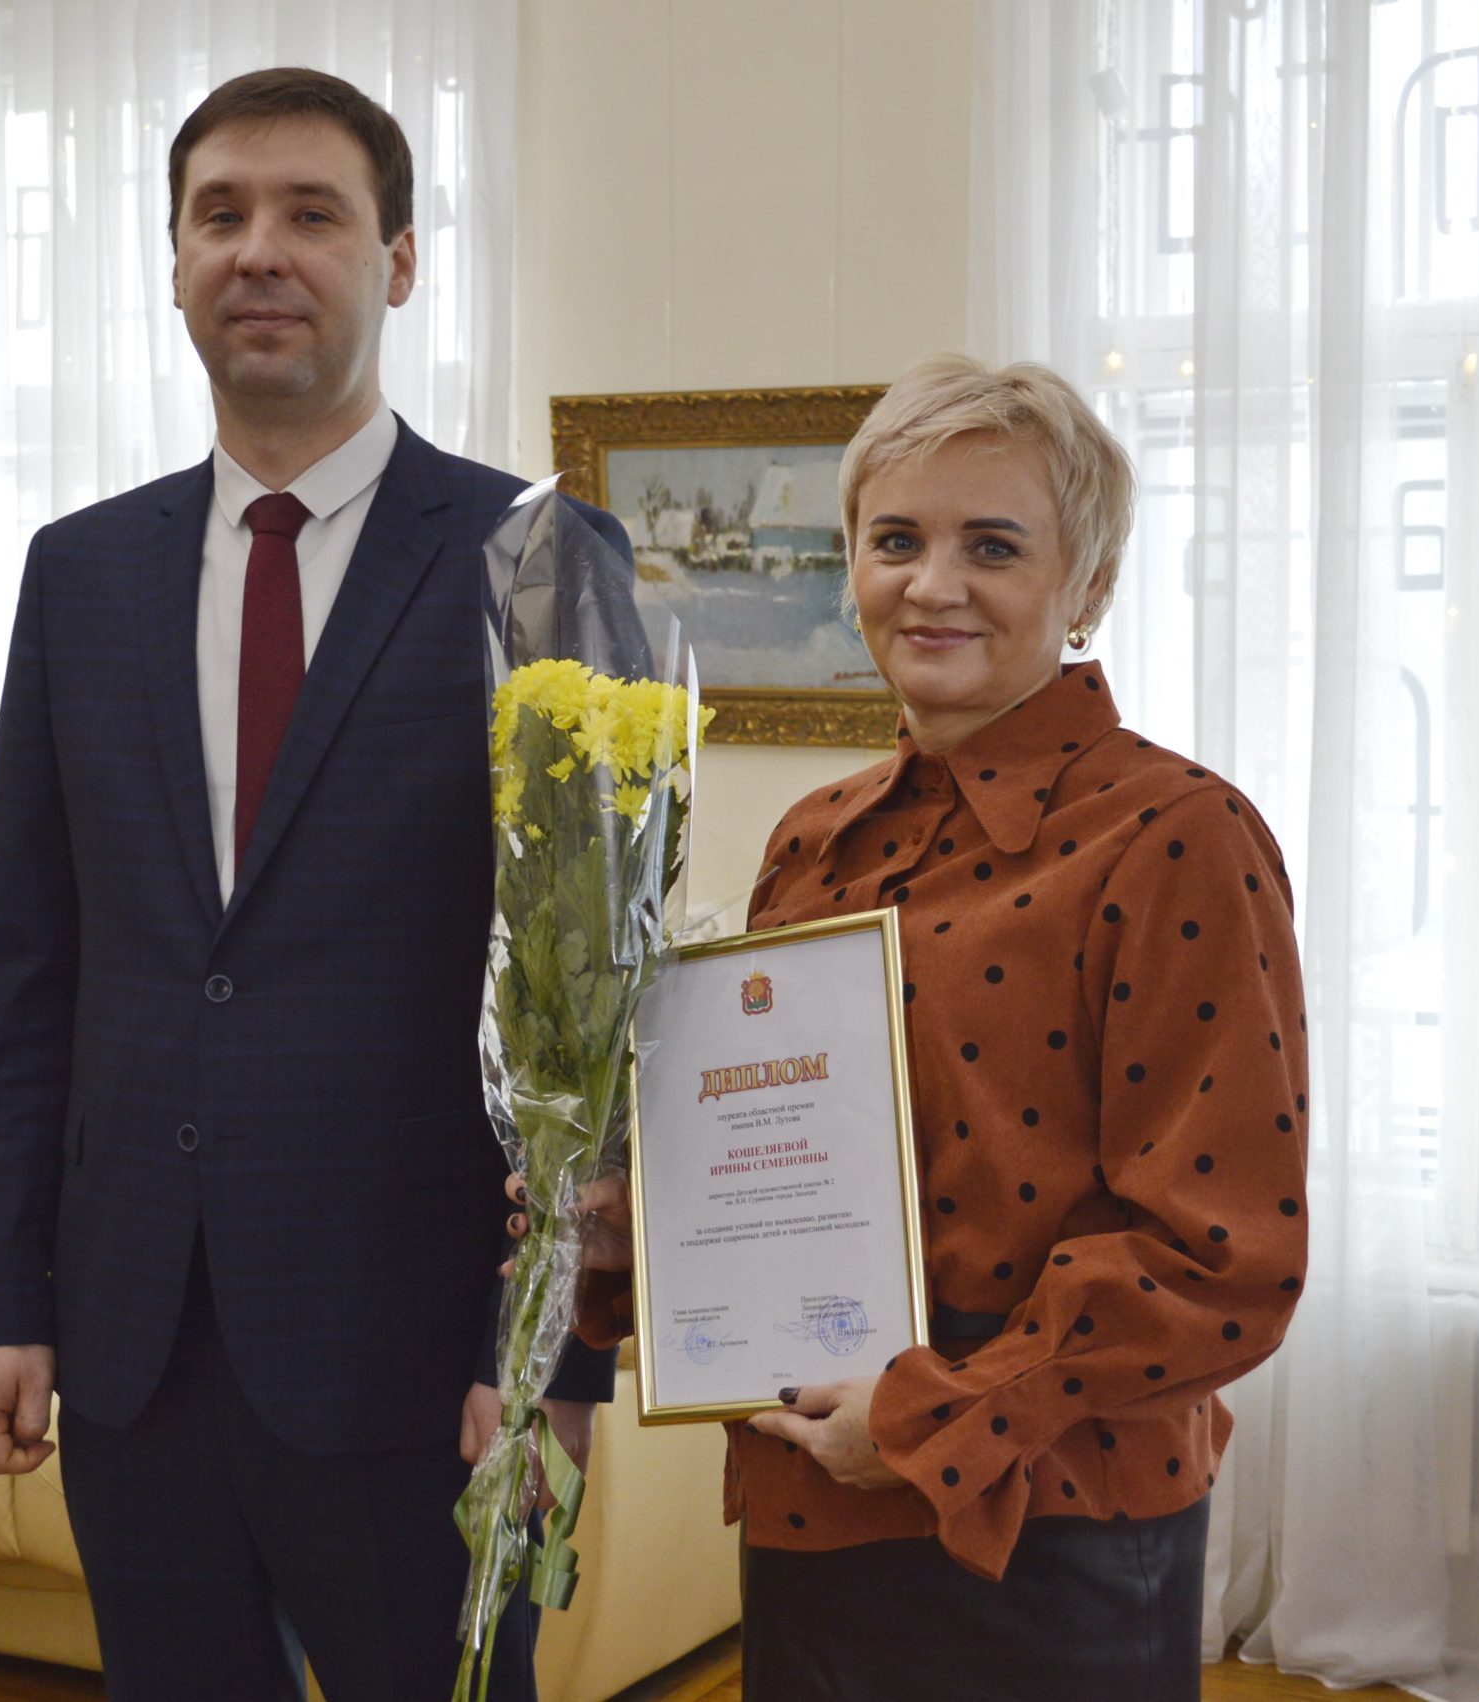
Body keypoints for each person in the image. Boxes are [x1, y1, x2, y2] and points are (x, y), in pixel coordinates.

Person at [0, 67, 617, 1702]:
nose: (260, 249)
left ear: (399, 259)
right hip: (134, 1349)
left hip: (417, 1364)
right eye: (220, 215)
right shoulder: (78, 573)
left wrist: (547, 1354)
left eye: (312, 213)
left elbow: (591, 1010)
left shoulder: (537, 562)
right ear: (173, 262)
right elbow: (24, 964)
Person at [532, 353, 1311, 1700]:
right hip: (810, 1504)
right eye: (895, 540)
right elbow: (800, 1174)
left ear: (1090, 585)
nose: (932, 583)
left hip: (1053, 1528)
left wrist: (933, 1419)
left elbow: (1225, 1260)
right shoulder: (811, 840)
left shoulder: (1178, 837)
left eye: (992, 546)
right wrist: (641, 1239)